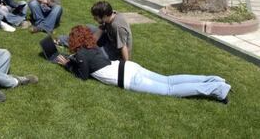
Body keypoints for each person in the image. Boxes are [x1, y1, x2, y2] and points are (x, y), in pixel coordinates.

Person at [56, 25, 231, 104]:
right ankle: (215, 80)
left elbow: (83, 76)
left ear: (74, 41)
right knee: (169, 80)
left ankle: (218, 90)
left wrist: (67, 65)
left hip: (129, 78)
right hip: (130, 67)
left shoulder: (80, 54)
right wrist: (73, 60)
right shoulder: (91, 47)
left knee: (169, 90)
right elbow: (87, 63)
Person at [56, 1, 132, 62]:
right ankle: (60, 40)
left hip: (115, 51)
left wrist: (126, 65)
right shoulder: (110, 15)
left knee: (92, 53)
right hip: (108, 39)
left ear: (104, 16)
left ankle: (77, 51)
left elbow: (123, 47)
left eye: (96, 18)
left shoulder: (117, 26)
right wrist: (89, 42)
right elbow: (100, 30)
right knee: (88, 28)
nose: (94, 19)